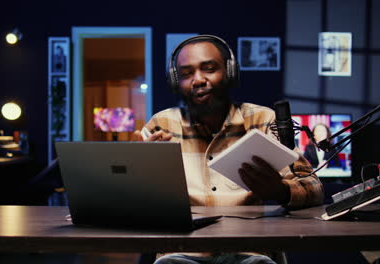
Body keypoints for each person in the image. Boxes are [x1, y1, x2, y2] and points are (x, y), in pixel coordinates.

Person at [133, 35, 324, 264]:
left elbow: (314, 188)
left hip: (250, 252)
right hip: (182, 252)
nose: (198, 80)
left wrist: (280, 191)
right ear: (176, 82)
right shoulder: (161, 125)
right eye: (186, 74)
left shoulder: (263, 120)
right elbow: (138, 207)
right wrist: (144, 175)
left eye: (209, 69)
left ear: (230, 72)